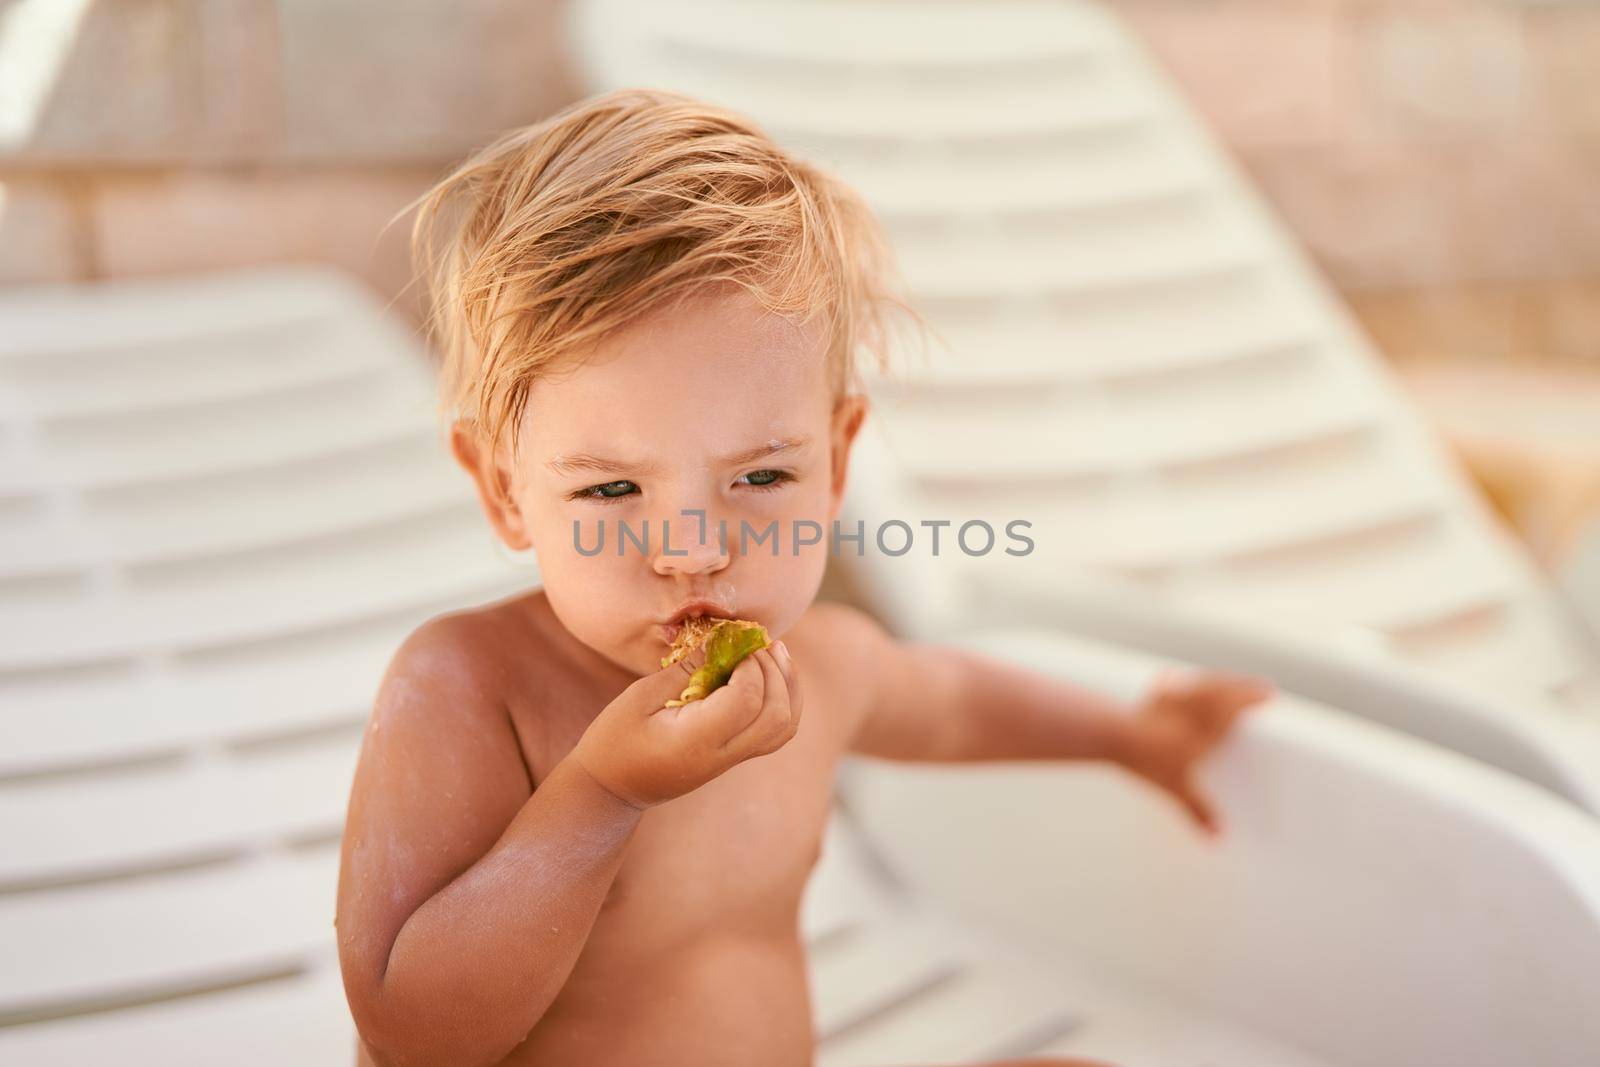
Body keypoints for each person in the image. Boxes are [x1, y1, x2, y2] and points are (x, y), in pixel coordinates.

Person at [335, 86, 1274, 1067]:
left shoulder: (820, 665)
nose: (694, 547)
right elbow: (414, 1030)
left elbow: (952, 701)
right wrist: (599, 792)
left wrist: (1132, 735)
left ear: (836, 459)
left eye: (760, 475)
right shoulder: (473, 690)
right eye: (613, 486)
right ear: (503, 489)